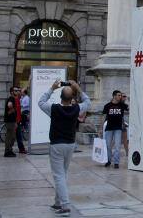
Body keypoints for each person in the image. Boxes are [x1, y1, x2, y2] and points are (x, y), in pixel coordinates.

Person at [38, 80, 90, 217]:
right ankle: (57, 202)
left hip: (56, 145)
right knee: (62, 174)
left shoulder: (54, 108)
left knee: (59, 175)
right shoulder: (76, 108)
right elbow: (88, 102)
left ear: (61, 96)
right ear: (72, 97)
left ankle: (65, 206)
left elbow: (41, 102)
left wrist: (52, 88)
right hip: (70, 144)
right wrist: (78, 88)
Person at [101, 90, 128, 169]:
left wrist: (126, 99)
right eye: (119, 95)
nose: (120, 97)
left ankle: (116, 162)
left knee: (117, 145)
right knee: (108, 146)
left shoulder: (122, 105)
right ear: (114, 96)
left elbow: (130, 108)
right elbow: (103, 117)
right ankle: (108, 160)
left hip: (118, 128)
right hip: (109, 127)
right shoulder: (107, 106)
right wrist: (100, 128)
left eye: (121, 95)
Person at [3, 86, 21, 157]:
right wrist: (13, 109)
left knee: (12, 136)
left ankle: (9, 150)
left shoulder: (13, 98)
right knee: (10, 136)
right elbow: (9, 105)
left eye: (17, 90)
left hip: (12, 121)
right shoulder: (11, 98)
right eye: (15, 91)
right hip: (10, 121)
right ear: (11, 92)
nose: (17, 92)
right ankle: (7, 151)